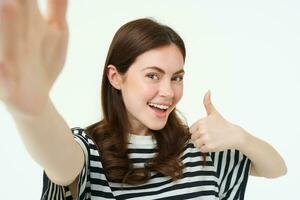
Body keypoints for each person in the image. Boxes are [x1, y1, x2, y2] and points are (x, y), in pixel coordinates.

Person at [0, 1, 287, 200]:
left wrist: (240, 137)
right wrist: (35, 109)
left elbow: (276, 168)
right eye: (153, 75)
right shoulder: (90, 151)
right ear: (116, 77)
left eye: (177, 77)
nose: (168, 91)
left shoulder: (200, 147)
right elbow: (60, 165)